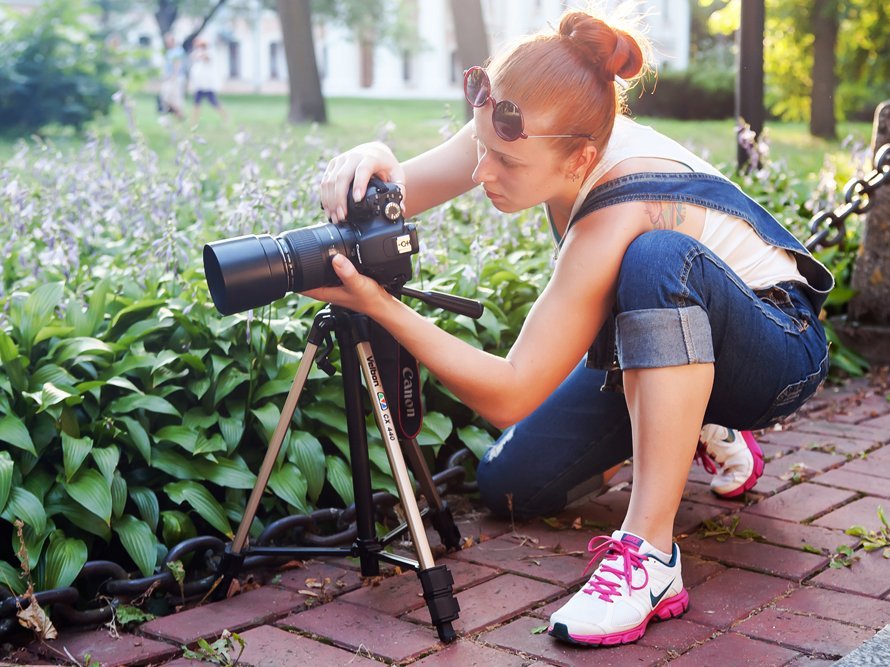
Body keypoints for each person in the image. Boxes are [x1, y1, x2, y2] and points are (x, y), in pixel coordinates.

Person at [311, 7, 832, 647]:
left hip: (776, 348)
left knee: (656, 256)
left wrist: (380, 306)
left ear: (583, 157)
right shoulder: (516, 126)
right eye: (480, 150)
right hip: (670, 339)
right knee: (511, 484)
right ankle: (688, 411)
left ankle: (652, 557)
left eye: (504, 163)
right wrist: (374, 157)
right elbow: (398, 193)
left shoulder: (619, 199)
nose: (482, 174)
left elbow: (511, 391)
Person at [188, 38, 228, 126]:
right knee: (196, 103)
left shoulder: (209, 53)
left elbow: (206, 58)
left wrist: (200, 54)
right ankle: (194, 121)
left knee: (214, 102)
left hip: (207, 85)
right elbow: (193, 57)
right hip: (200, 85)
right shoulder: (197, 54)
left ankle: (225, 117)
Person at [160, 33, 186, 120]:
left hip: (176, 77)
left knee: (175, 97)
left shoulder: (178, 51)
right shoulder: (169, 51)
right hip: (169, 77)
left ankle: (179, 115)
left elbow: (177, 64)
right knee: (166, 96)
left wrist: (174, 76)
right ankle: (177, 114)